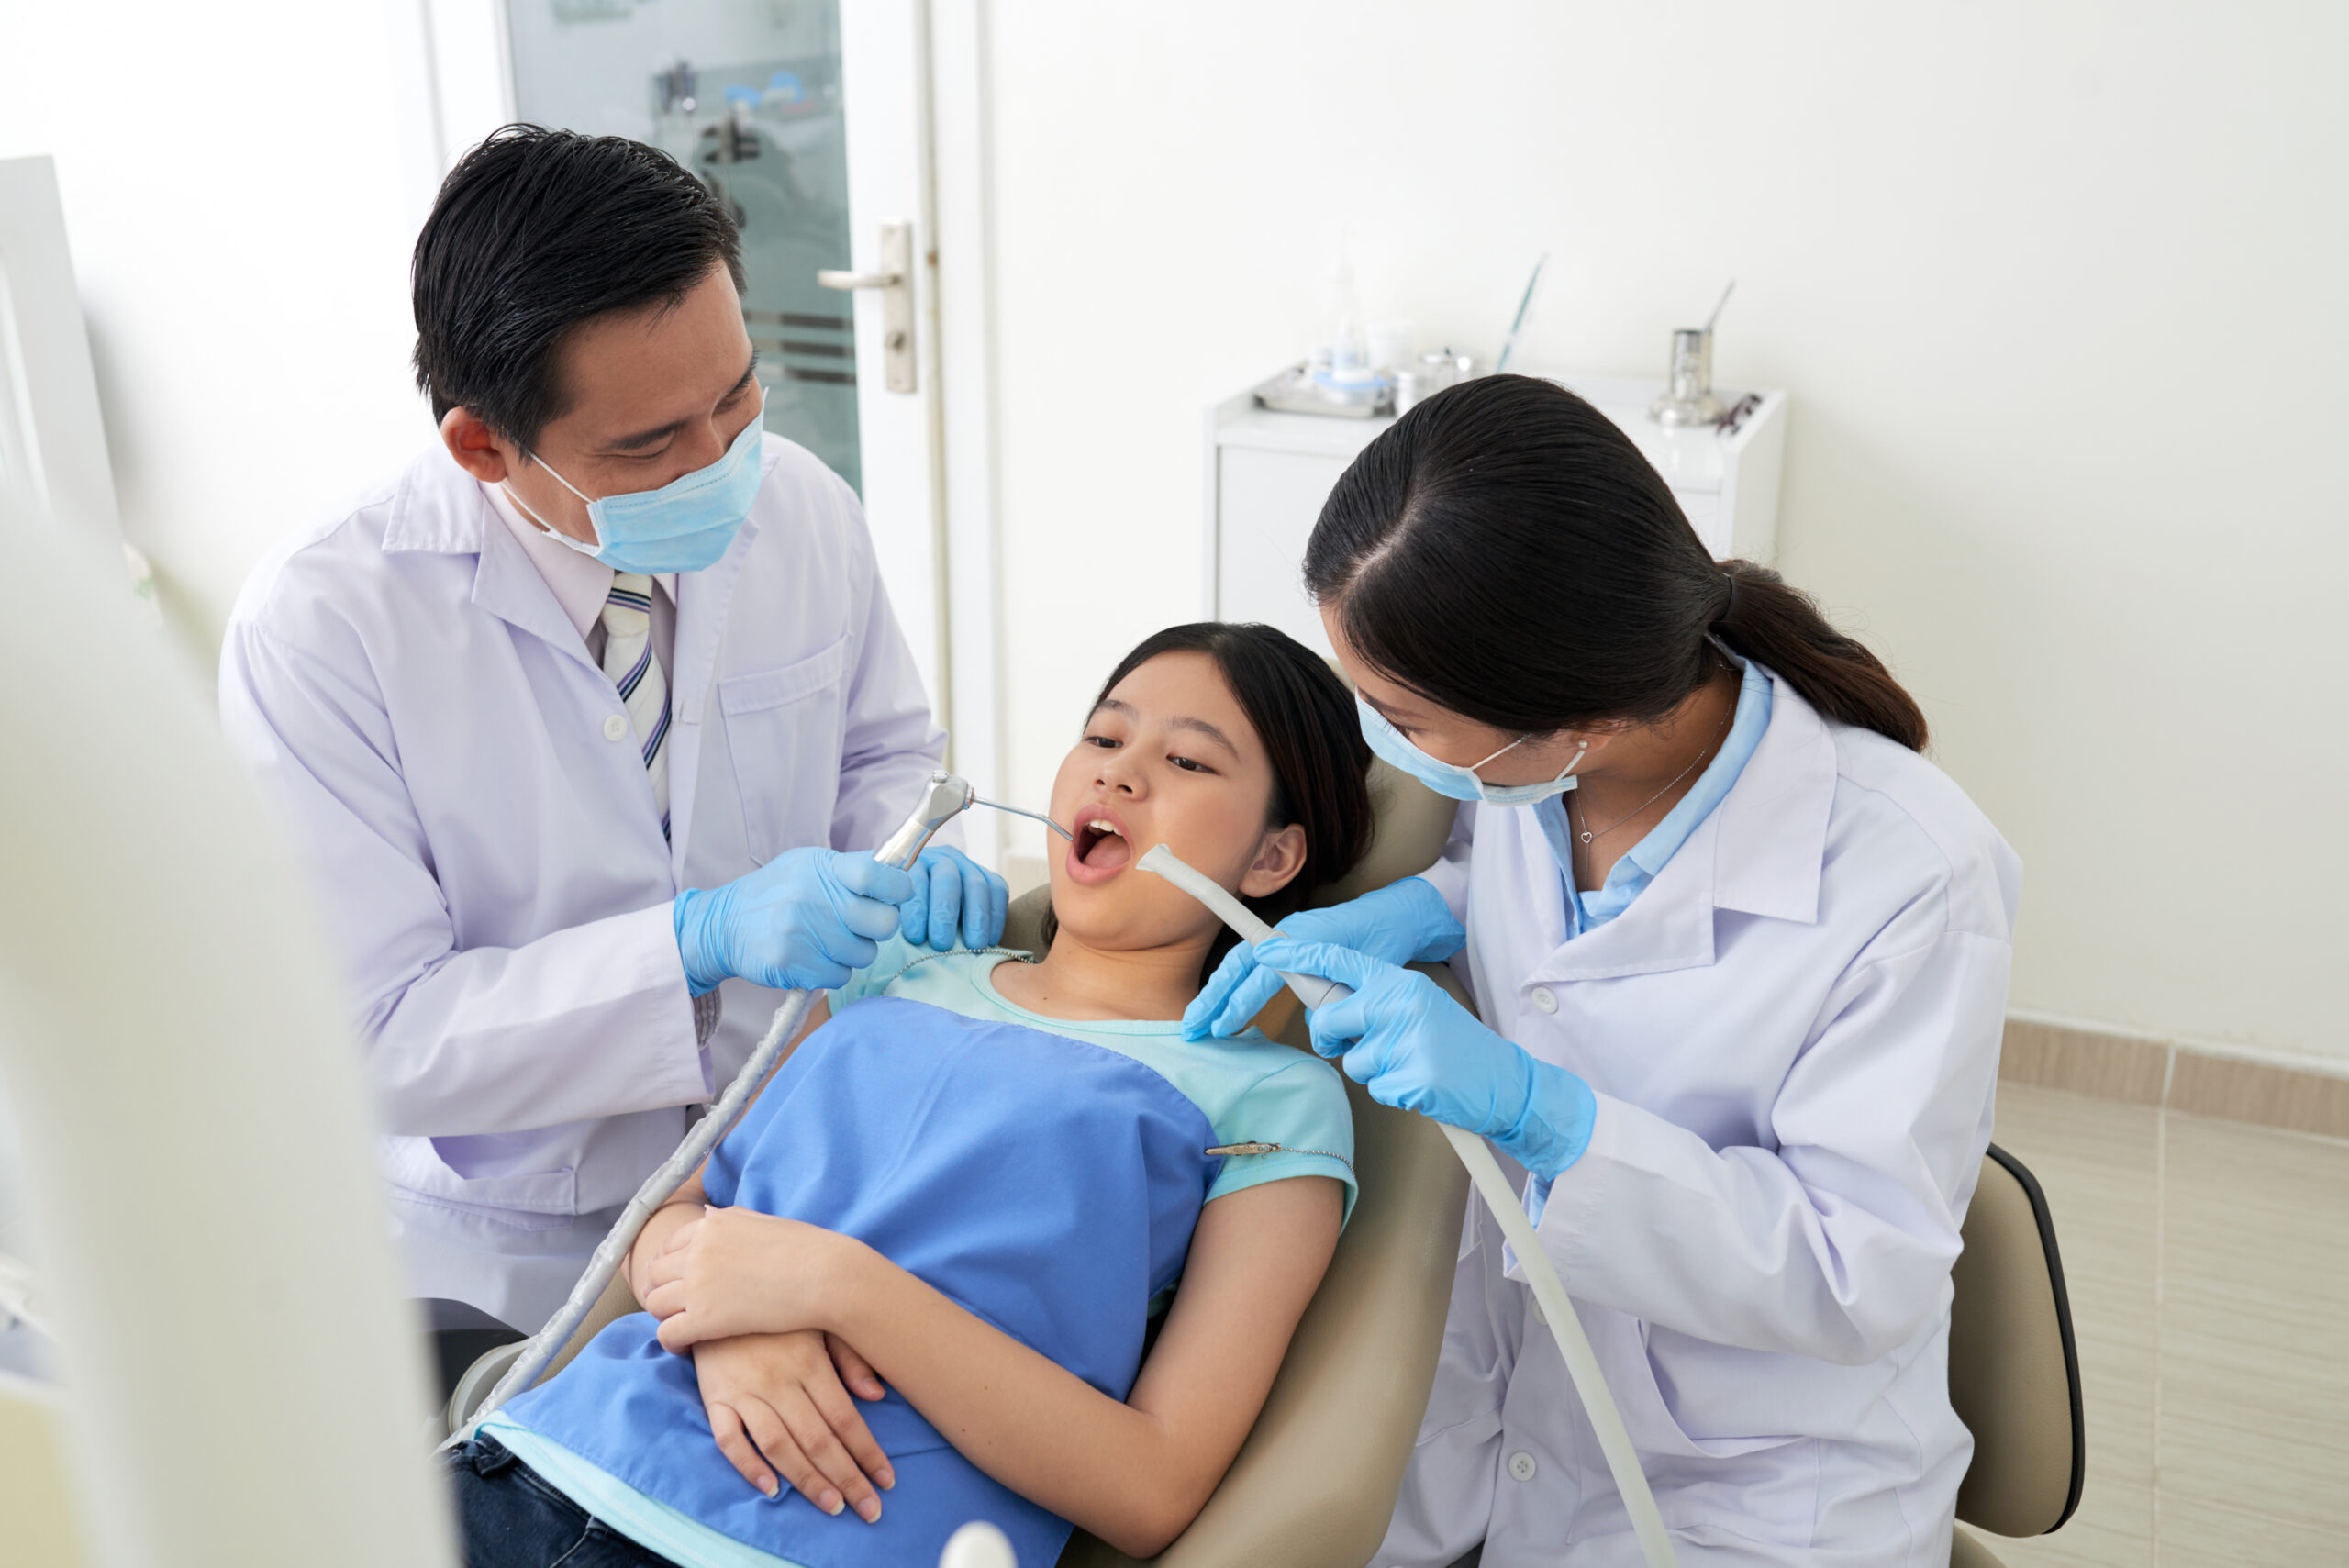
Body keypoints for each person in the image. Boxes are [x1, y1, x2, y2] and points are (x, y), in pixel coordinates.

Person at [1187, 375, 2021, 1567]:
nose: (1383, 746)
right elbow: (1538, 898)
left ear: (1574, 712)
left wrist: (1547, 1120)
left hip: (1752, 1492)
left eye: (1404, 719)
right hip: (1507, 1415)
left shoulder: (1914, 876)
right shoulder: (1539, 775)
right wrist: (1422, 907)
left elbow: (1857, 1272)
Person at [218, 127, 1004, 1332]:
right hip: (510, 1242)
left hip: (788, 1159)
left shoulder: (802, 506)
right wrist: (690, 942)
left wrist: (907, 849)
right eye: (650, 444)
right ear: (484, 443)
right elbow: (375, 1038)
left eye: (739, 396)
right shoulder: (326, 625)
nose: (722, 462)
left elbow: (880, 752)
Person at [441, 622, 1369, 1568]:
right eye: (1102, 737)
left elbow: (1151, 1487)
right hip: (540, 1461)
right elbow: (667, 1214)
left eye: (1185, 759)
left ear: (1272, 858)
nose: (1119, 775)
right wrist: (732, 1326)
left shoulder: (1271, 1096)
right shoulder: (892, 969)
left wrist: (836, 1287)